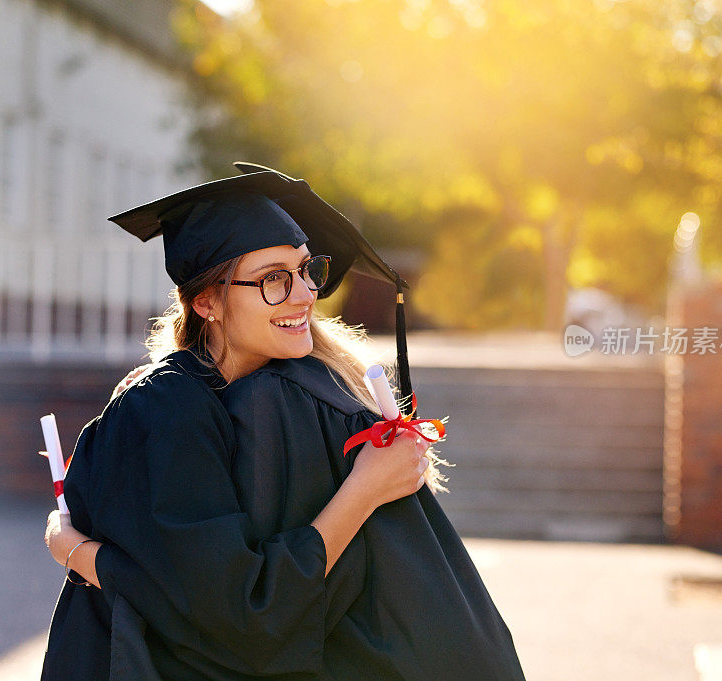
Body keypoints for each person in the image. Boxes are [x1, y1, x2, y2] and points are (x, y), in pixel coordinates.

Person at [43, 164, 526, 681]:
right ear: (206, 302)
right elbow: (246, 615)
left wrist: (80, 554)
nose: (304, 294)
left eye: (304, 270)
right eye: (273, 278)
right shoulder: (167, 406)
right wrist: (364, 489)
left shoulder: (296, 395)